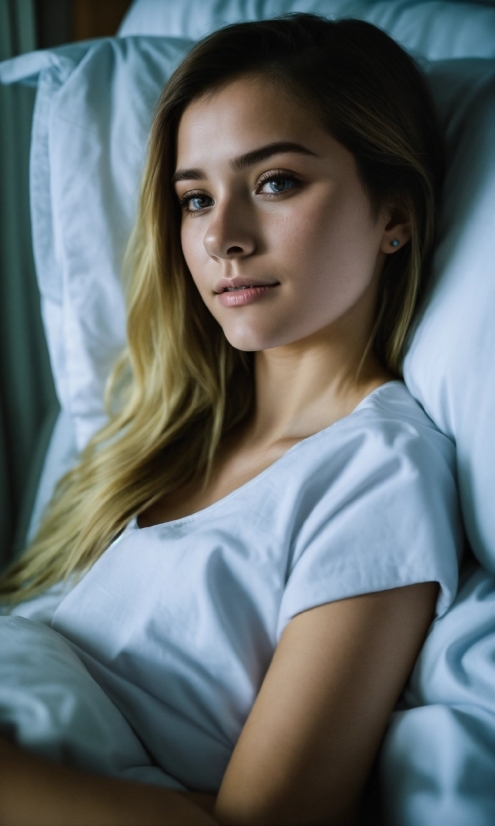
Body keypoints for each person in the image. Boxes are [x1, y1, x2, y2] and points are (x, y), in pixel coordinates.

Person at [0, 13, 461, 826]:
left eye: (274, 181)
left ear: (393, 215)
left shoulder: (376, 472)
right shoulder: (161, 435)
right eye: (194, 198)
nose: (221, 237)